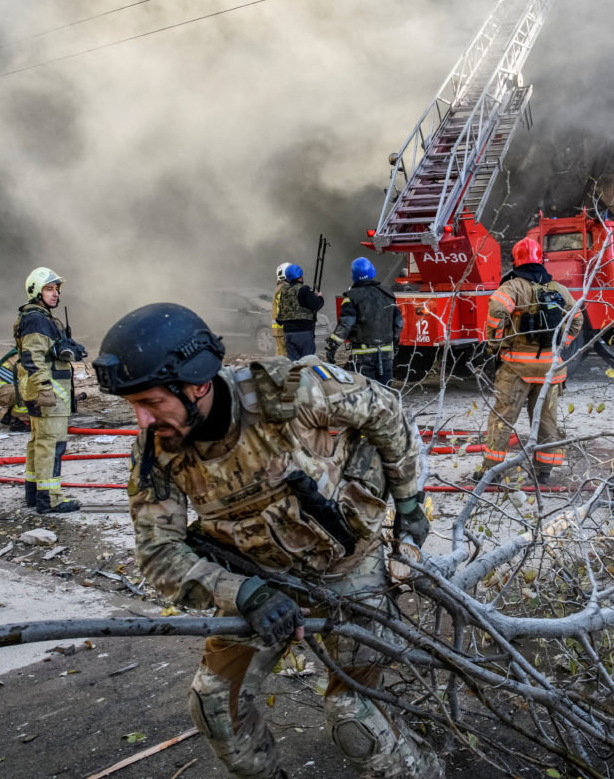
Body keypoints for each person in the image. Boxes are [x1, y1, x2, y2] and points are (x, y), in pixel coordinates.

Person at [91, 303, 443, 779]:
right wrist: (245, 594)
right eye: (133, 405)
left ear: (196, 385)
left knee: (353, 717)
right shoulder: (156, 455)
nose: (142, 421)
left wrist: (407, 504)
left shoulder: (292, 391)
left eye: (151, 403)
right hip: (257, 581)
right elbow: (158, 554)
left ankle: (420, 770)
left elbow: (385, 411)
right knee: (214, 705)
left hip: (348, 567)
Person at [473, 237, 582, 485]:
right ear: (540, 260)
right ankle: (544, 471)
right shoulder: (558, 289)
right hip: (550, 370)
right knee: (546, 422)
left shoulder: (513, 287)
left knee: (502, 419)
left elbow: (497, 309)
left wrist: (495, 341)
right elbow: (577, 319)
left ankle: (492, 470)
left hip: (517, 369)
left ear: (516, 261)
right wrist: (561, 344)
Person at [14, 267, 81, 514]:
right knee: (51, 445)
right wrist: (44, 387)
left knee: (39, 442)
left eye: (56, 289)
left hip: (45, 390)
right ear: (35, 291)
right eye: (48, 289)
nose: (54, 294)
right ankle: (50, 499)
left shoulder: (42, 317)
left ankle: (35, 494)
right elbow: (32, 357)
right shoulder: (37, 318)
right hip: (49, 392)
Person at [325, 257, 402, 385]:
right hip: (386, 354)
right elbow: (398, 323)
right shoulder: (388, 294)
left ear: (354, 275)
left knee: (366, 394)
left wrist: (332, 347)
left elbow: (345, 325)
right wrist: (395, 343)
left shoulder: (351, 297)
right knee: (385, 394)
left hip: (363, 356)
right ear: (373, 271)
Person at [275, 263, 324, 361]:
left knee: (295, 366)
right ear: (300, 277)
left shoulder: (284, 291)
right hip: (303, 333)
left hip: (288, 334)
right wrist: (319, 297)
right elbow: (316, 305)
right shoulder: (304, 289)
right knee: (308, 364)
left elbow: (280, 317)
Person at [271, 262, 291, 356]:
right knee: (284, 357)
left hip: (280, 330)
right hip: (283, 330)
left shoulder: (280, 287)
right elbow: (282, 309)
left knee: (280, 355)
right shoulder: (283, 288)